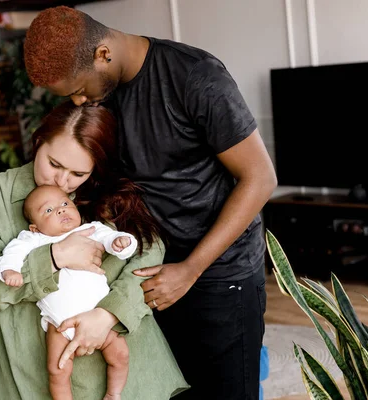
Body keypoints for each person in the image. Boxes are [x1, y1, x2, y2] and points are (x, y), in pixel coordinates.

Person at [23, 6, 278, 400]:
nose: (77, 101)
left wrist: (191, 269)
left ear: (102, 54)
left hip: (216, 274)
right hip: (144, 277)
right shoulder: (97, 97)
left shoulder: (196, 76)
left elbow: (260, 178)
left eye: (79, 88)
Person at [0, 101, 189, 400]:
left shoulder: (109, 190)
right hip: (37, 374)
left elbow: (147, 253)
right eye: (54, 164)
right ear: (38, 141)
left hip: (127, 372)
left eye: (78, 173)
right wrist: (55, 257)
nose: (62, 182)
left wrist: (107, 315)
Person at [0, 184, 138, 400]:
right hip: (60, 323)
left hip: (99, 315)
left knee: (121, 355)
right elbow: (13, 251)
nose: (61, 210)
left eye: (64, 203)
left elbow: (112, 240)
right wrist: (10, 270)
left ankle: (114, 393)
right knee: (57, 369)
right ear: (34, 227)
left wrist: (121, 242)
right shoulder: (34, 239)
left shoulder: (91, 230)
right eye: (48, 210)